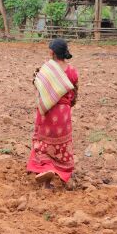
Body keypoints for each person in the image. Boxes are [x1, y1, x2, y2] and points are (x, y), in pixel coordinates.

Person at [27, 38, 79, 189]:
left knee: (44, 143)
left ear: (52, 52)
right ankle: (62, 172)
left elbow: (39, 87)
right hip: (63, 114)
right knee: (62, 144)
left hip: (48, 112)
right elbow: (74, 94)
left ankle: (46, 173)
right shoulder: (72, 71)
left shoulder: (46, 69)